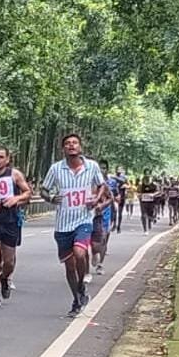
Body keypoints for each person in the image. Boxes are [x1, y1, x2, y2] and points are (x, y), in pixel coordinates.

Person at [41, 134, 107, 316]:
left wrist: (96, 198)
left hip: (84, 219)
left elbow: (101, 185)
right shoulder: (56, 169)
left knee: (80, 253)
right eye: (67, 144)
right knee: (69, 266)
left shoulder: (91, 166)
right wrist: (52, 198)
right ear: (63, 148)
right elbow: (44, 189)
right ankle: (77, 298)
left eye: (74, 143)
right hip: (63, 224)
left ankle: (82, 284)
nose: (71, 146)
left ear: (80, 147)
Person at [0, 145, 32, 307]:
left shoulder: (14, 174)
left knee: (9, 261)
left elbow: (27, 192)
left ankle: (4, 277)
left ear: (7, 159)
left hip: (10, 221)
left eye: (0, 157)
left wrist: (15, 199)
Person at [91, 159, 119, 276]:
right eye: (100, 168)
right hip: (90, 213)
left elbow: (114, 196)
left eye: (104, 168)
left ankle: (100, 264)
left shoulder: (111, 182)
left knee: (104, 238)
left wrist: (107, 205)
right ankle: (94, 253)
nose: (102, 170)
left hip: (106, 212)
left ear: (107, 169)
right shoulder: (88, 181)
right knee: (93, 242)